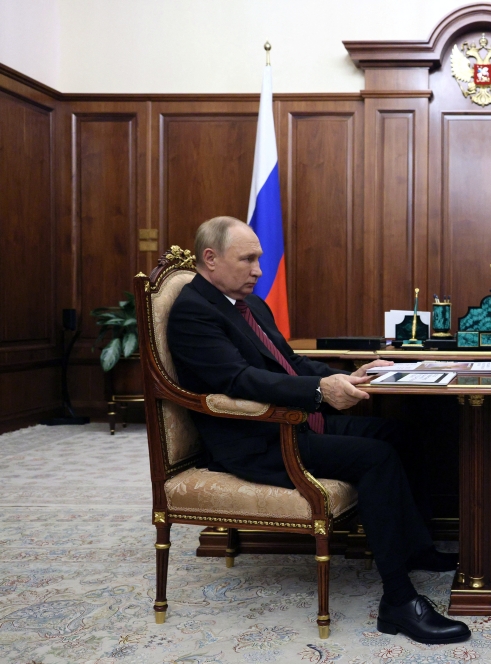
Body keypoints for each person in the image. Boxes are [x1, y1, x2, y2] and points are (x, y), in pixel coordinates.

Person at [167, 216, 470, 644]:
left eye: (259, 259)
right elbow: (238, 381)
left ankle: (415, 548)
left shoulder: (250, 305)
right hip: (256, 441)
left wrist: (348, 374)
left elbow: (290, 364)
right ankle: (398, 603)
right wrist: (318, 391)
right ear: (210, 259)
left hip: (294, 426)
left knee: (400, 434)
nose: (258, 270)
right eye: (248, 259)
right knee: (376, 457)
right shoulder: (192, 312)